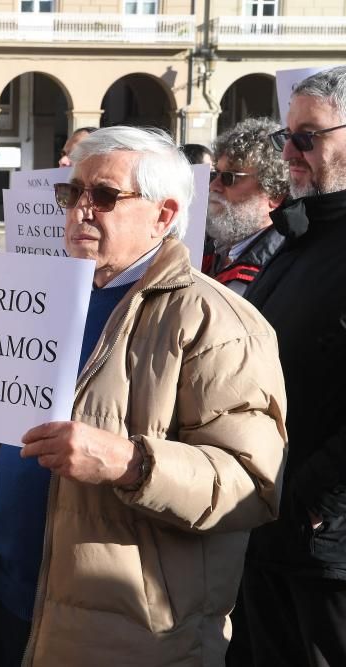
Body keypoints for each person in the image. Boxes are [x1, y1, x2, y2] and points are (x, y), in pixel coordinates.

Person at [0, 126, 287, 666]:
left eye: (102, 195)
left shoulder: (216, 321)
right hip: (9, 604)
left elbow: (252, 484)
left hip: (122, 632)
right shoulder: (45, 296)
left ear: (164, 213)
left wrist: (129, 463)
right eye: (71, 192)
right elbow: (15, 451)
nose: (80, 209)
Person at [241, 65, 346, 667]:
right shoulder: (300, 235)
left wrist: (311, 496)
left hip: (323, 542)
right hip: (273, 528)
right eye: (288, 134)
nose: (289, 151)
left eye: (307, 136)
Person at [203, 118, 288, 296]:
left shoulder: (281, 268)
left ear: (274, 194)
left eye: (230, 177)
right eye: (215, 174)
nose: (214, 186)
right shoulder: (206, 248)